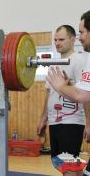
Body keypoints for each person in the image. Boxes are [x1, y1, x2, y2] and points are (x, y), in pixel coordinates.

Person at [37, 25, 90, 176]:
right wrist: (43, 120)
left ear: (73, 40)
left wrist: (89, 123)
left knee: (68, 167)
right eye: (55, 40)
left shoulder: (80, 60)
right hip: (55, 122)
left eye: (61, 39)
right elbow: (49, 94)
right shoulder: (54, 62)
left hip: (72, 121)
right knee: (61, 164)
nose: (57, 43)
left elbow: (86, 93)